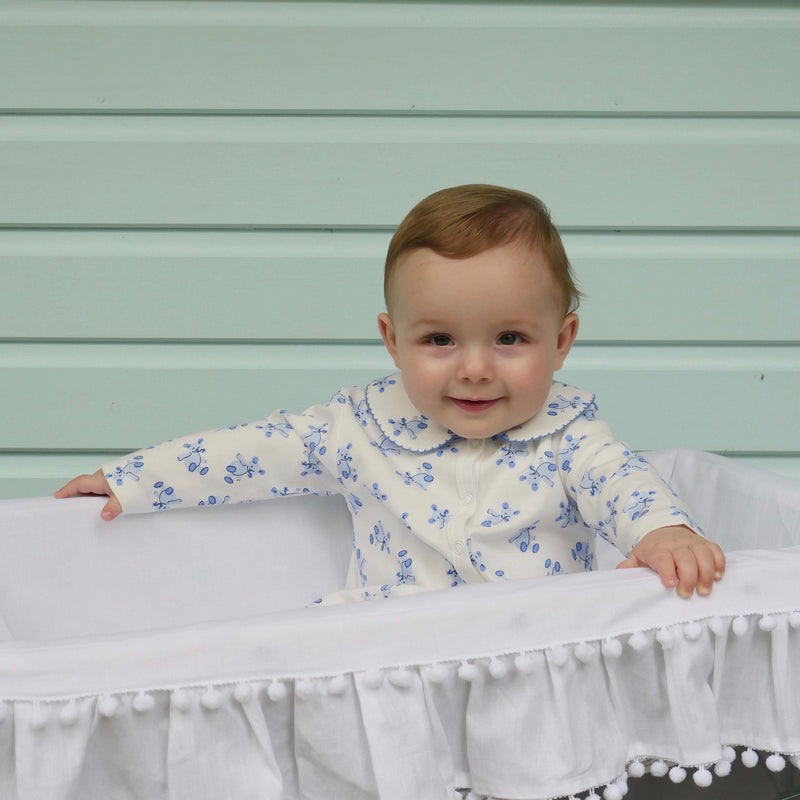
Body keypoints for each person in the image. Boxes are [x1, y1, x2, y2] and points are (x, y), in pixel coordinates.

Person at [56, 184, 725, 602]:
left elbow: (625, 486)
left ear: (562, 340)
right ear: (393, 340)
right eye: (440, 340)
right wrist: (133, 479)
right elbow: (248, 453)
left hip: (530, 660)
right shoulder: (358, 429)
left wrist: (664, 532)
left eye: (509, 339)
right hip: (391, 665)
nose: (474, 369)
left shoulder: (569, 436)